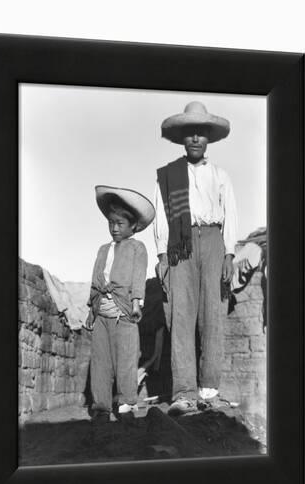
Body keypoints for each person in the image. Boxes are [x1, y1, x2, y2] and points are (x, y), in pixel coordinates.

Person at [153, 101, 238, 415]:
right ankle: (184, 392)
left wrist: (229, 254)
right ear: (182, 138)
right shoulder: (168, 176)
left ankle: (209, 390)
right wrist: (163, 255)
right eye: (190, 133)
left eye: (201, 133)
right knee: (182, 316)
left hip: (214, 241)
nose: (195, 139)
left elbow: (231, 215)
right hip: (180, 244)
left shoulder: (221, 175)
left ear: (208, 138)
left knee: (212, 315)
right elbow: (162, 217)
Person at [86, 185, 155, 423]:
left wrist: (136, 304)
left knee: (126, 359)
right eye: (111, 223)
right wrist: (91, 309)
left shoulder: (137, 248)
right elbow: (95, 279)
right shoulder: (103, 250)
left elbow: (138, 277)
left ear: (133, 226)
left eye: (120, 224)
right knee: (101, 361)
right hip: (102, 315)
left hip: (123, 313)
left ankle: (126, 401)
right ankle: (102, 406)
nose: (114, 228)